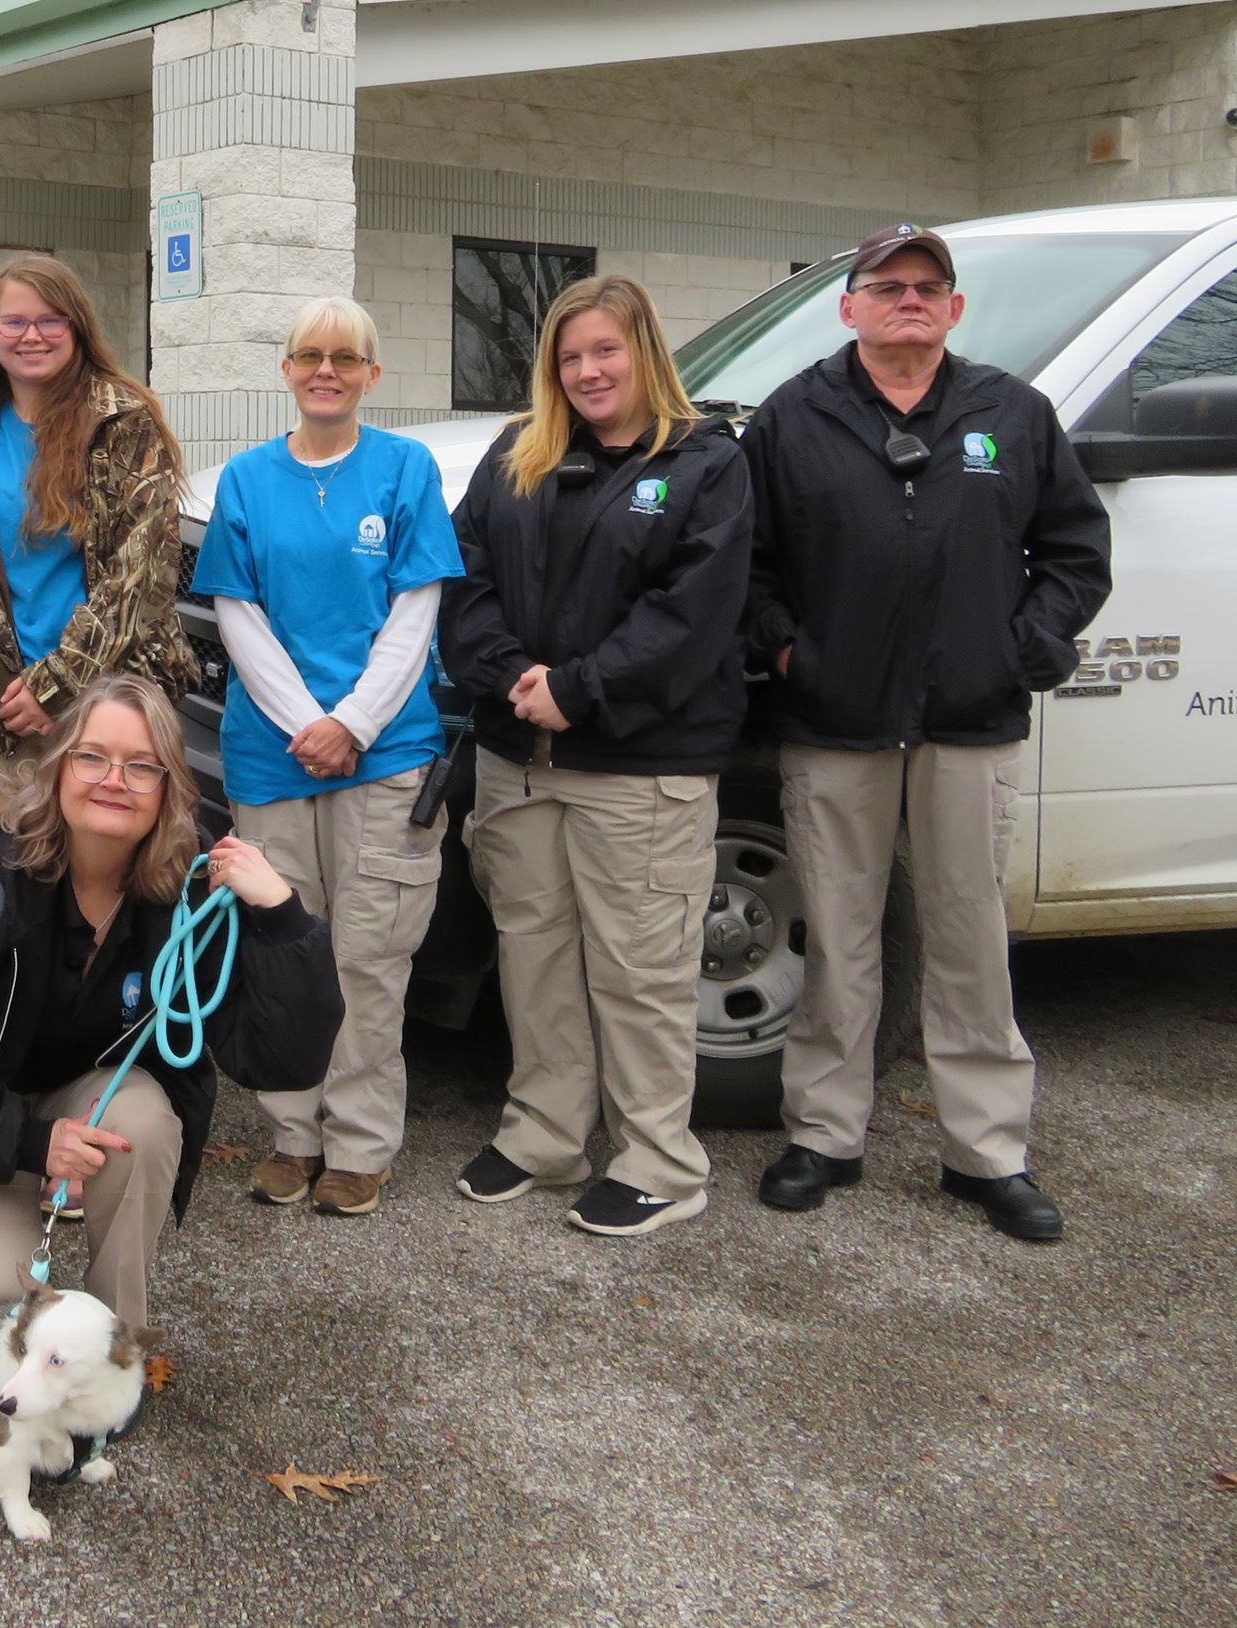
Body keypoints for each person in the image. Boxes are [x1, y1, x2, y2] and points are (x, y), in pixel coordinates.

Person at [742, 225, 1111, 1241]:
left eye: (926, 286)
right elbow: (748, 563)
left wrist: (1022, 646)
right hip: (834, 722)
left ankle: (985, 1152)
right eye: (886, 285)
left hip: (968, 721)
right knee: (838, 936)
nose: (907, 299)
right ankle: (823, 1135)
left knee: (969, 939)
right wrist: (788, 654)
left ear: (953, 309)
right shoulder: (790, 416)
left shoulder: (1012, 413)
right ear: (848, 307)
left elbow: (1075, 551)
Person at [0, 674, 341, 1327]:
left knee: (146, 1122)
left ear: (169, 787)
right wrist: (31, 1144)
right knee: (1, 1303)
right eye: (92, 757)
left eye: (141, 766)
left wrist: (282, 919)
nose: (114, 780)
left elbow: (282, 1064)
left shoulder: (190, 895)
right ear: (58, 768)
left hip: (89, 1109)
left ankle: (117, 1339)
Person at [439, 274, 752, 1237]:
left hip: (640, 766)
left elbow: (692, 615)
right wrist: (512, 676)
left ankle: (661, 1162)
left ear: (644, 351)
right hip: (519, 757)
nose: (588, 371)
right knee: (533, 956)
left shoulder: (705, 464)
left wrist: (578, 690)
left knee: (640, 971)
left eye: (606, 350)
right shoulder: (517, 455)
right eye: (570, 356)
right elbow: (463, 580)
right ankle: (545, 1135)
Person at [190, 296, 461, 1217]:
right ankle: (292, 1135)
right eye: (310, 355)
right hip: (272, 756)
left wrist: (353, 724)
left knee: (369, 958)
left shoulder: (405, 468)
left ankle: (359, 1145)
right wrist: (310, 723)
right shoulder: (246, 480)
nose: (327, 371)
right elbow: (238, 614)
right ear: (287, 370)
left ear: (372, 375)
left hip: (384, 756)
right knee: (283, 951)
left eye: (346, 358)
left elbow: (416, 612)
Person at [0, 256, 197, 833]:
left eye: (50, 320)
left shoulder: (124, 422)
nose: (32, 336)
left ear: (77, 327)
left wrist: (55, 686)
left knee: (109, 867)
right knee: (7, 871)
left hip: (111, 697)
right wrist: (1, 688)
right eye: (14, 322)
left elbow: (140, 577)